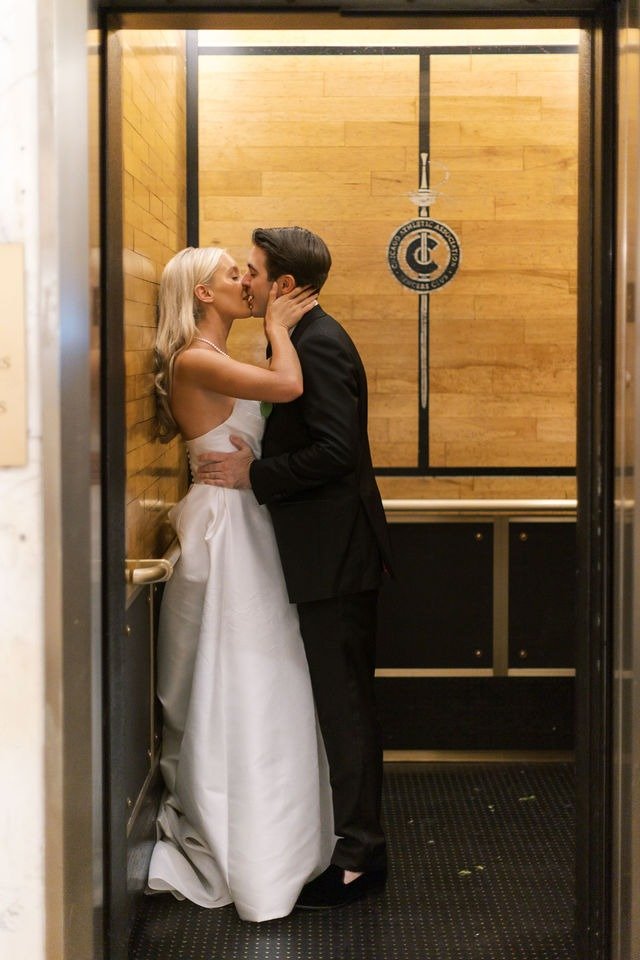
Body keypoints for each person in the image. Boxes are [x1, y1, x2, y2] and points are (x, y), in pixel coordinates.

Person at [196, 226, 393, 909]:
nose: (245, 282)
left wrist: (259, 474)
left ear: (283, 285)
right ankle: (356, 846)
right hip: (324, 551)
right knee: (342, 704)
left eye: (251, 272)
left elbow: (339, 451)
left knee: (346, 707)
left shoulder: (323, 342)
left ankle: (361, 859)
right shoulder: (301, 339)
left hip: (336, 553)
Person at [146, 245, 335, 922]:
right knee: (239, 676)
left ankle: (278, 837)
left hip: (246, 523)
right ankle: (244, 842)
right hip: (226, 534)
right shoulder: (195, 358)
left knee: (266, 674)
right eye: (232, 274)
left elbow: (258, 410)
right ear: (202, 294)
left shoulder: (218, 359)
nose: (246, 281)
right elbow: (287, 388)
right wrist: (281, 331)